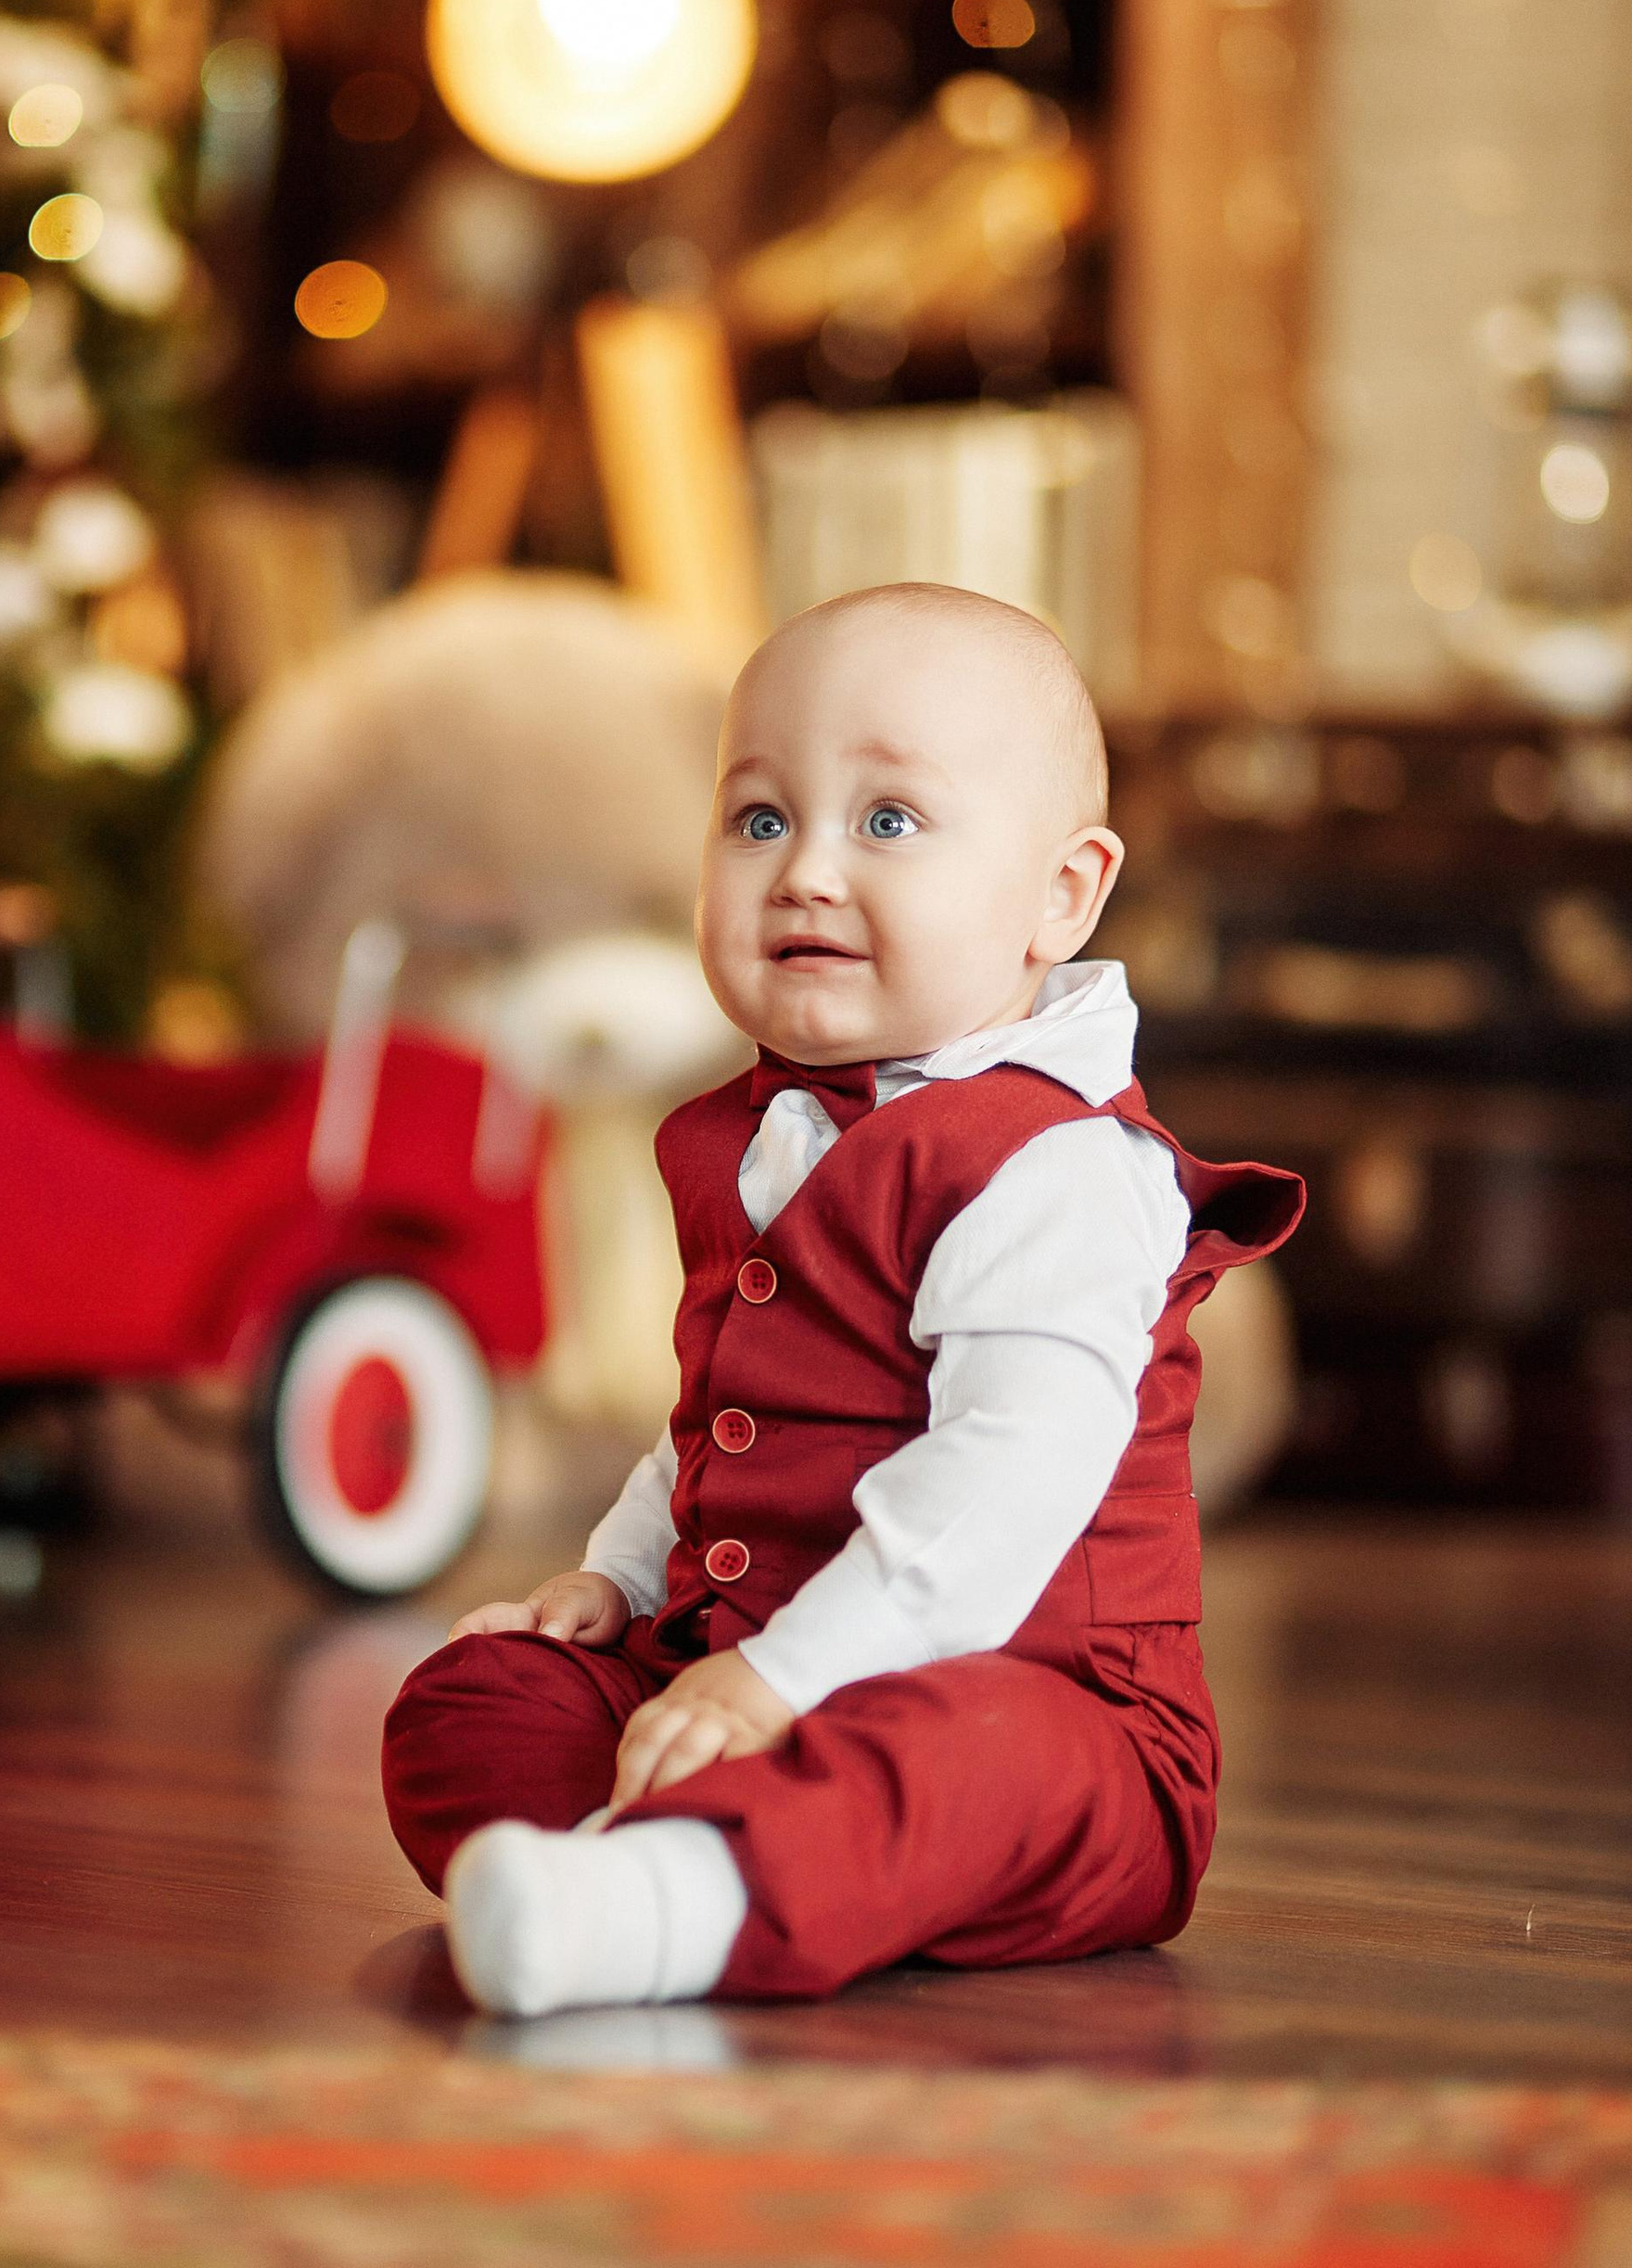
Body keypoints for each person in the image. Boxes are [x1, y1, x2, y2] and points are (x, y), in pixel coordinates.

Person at [381, 583, 1305, 2016]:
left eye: (887, 822)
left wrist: (783, 1685)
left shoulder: (1055, 1167)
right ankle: (655, 1874)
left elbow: (996, 1501)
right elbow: (716, 1425)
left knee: (971, 1756)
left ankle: (680, 1900)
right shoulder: (756, 1133)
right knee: (474, 1698)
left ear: (1061, 895)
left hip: (1037, 1703)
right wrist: (619, 1586)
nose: (805, 871)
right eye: (758, 819)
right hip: (745, 1669)